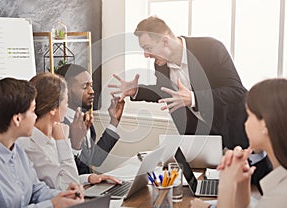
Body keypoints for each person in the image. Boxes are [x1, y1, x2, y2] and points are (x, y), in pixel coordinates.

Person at [108, 16, 272, 189]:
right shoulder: (161, 64)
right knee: (214, 189)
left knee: (259, 187)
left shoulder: (211, 49)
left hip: (235, 130)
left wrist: (193, 98)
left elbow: (237, 91)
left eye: (148, 48)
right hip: (204, 140)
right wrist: (137, 91)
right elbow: (165, 93)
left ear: (165, 41)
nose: (146, 55)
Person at [0, 77, 84, 208]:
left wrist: (65, 196)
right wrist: (52, 205)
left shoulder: (16, 150)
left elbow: (37, 190)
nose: (36, 116)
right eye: (33, 111)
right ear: (17, 119)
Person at [191, 78, 287, 208]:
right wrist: (242, 184)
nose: (245, 123)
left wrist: (227, 184)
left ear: (265, 124)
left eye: (248, 115)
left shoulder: (279, 198)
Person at [17, 73, 121, 191]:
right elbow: (65, 187)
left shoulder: (53, 134)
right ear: (53, 109)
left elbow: (65, 177)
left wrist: (89, 178)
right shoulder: (32, 145)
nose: (91, 91)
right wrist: (64, 142)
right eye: (65, 102)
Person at [56, 64, 125, 174]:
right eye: (85, 87)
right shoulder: (57, 125)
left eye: (91, 85)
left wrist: (114, 122)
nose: (91, 91)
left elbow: (95, 159)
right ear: (66, 90)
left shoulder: (85, 119)